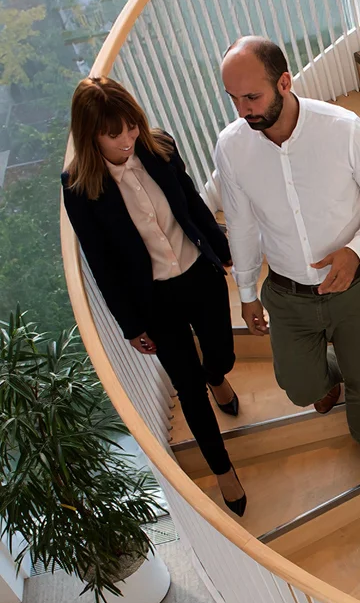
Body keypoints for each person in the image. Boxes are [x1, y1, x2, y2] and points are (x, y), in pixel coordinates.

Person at [214, 36, 360, 484]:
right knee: (299, 387)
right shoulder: (232, 147)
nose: (243, 110)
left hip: (353, 286)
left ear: (284, 82)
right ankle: (327, 380)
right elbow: (239, 225)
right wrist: (245, 294)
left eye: (252, 97)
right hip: (286, 294)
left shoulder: (343, 129)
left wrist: (355, 251)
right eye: (234, 99)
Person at [62, 78, 247, 517]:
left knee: (221, 353)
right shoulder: (79, 187)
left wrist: (222, 252)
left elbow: (192, 205)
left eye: (131, 126)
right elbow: (101, 263)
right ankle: (223, 470)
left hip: (199, 276)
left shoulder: (158, 146)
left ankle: (217, 374)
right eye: (115, 134)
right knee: (188, 388)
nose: (127, 138)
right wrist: (131, 324)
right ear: (91, 135)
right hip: (154, 300)